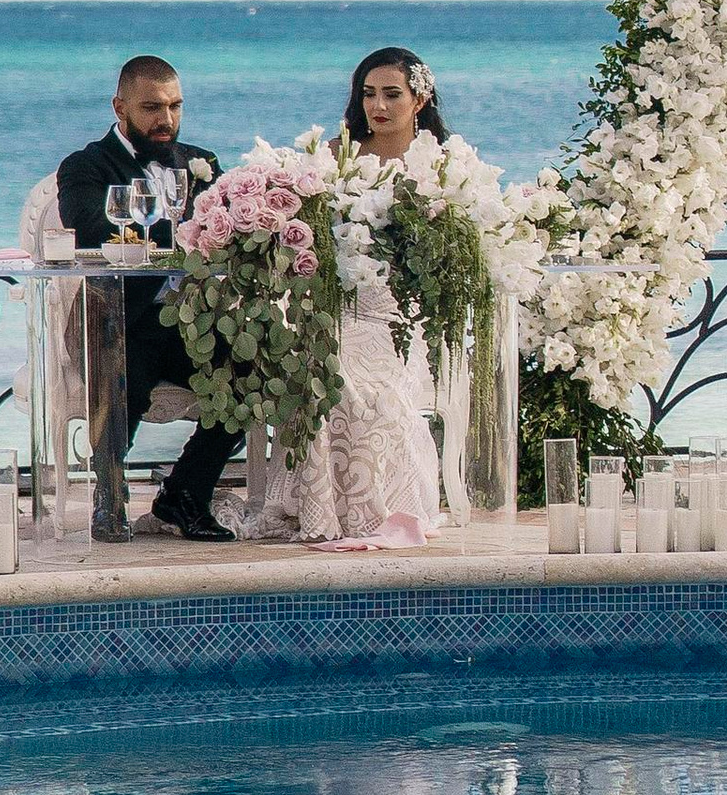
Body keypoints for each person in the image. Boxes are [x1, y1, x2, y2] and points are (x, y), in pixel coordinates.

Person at [55, 55, 237, 542]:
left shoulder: (202, 163)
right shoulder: (85, 166)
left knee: (251, 372)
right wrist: (178, 227)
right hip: (118, 319)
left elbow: (229, 232)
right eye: (152, 107)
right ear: (120, 107)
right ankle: (108, 500)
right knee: (123, 377)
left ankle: (184, 495)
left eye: (175, 106)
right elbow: (91, 234)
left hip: (187, 323)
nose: (167, 119)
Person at [280, 46, 450, 549]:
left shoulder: (439, 163)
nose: (379, 105)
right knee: (326, 368)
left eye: (392, 94)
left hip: (402, 318)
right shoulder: (338, 154)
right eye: (369, 93)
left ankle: (375, 508)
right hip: (338, 308)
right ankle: (322, 507)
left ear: (419, 98)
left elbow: (445, 256)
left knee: (365, 387)